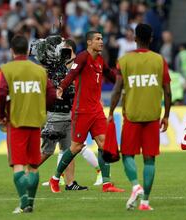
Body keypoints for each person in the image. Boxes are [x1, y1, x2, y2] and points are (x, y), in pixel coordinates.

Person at [48, 31, 124, 193]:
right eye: (98, 39)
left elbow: (110, 75)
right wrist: (61, 87)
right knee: (76, 147)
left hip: (96, 110)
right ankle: (55, 179)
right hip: (81, 111)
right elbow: (72, 73)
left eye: (102, 38)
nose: (101, 42)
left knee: (104, 145)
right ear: (89, 42)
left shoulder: (100, 60)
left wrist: (124, 82)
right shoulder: (82, 57)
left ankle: (107, 184)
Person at [108, 23, 171, 211]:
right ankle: (145, 202)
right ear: (151, 39)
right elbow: (167, 92)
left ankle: (135, 186)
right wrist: (166, 115)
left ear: (135, 39)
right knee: (150, 159)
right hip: (152, 117)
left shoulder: (124, 60)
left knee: (127, 154)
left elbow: (117, 89)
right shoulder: (159, 60)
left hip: (132, 116)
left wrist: (111, 112)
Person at [0, 35, 56, 213]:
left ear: (11, 51)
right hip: (35, 122)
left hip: (16, 121)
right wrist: (41, 108)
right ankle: (30, 202)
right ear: (28, 51)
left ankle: (23, 203)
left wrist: (1, 113)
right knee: (34, 165)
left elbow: (1, 92)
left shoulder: (6, 69)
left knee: (18, 165)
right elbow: (52, 95)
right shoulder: (39, 70)